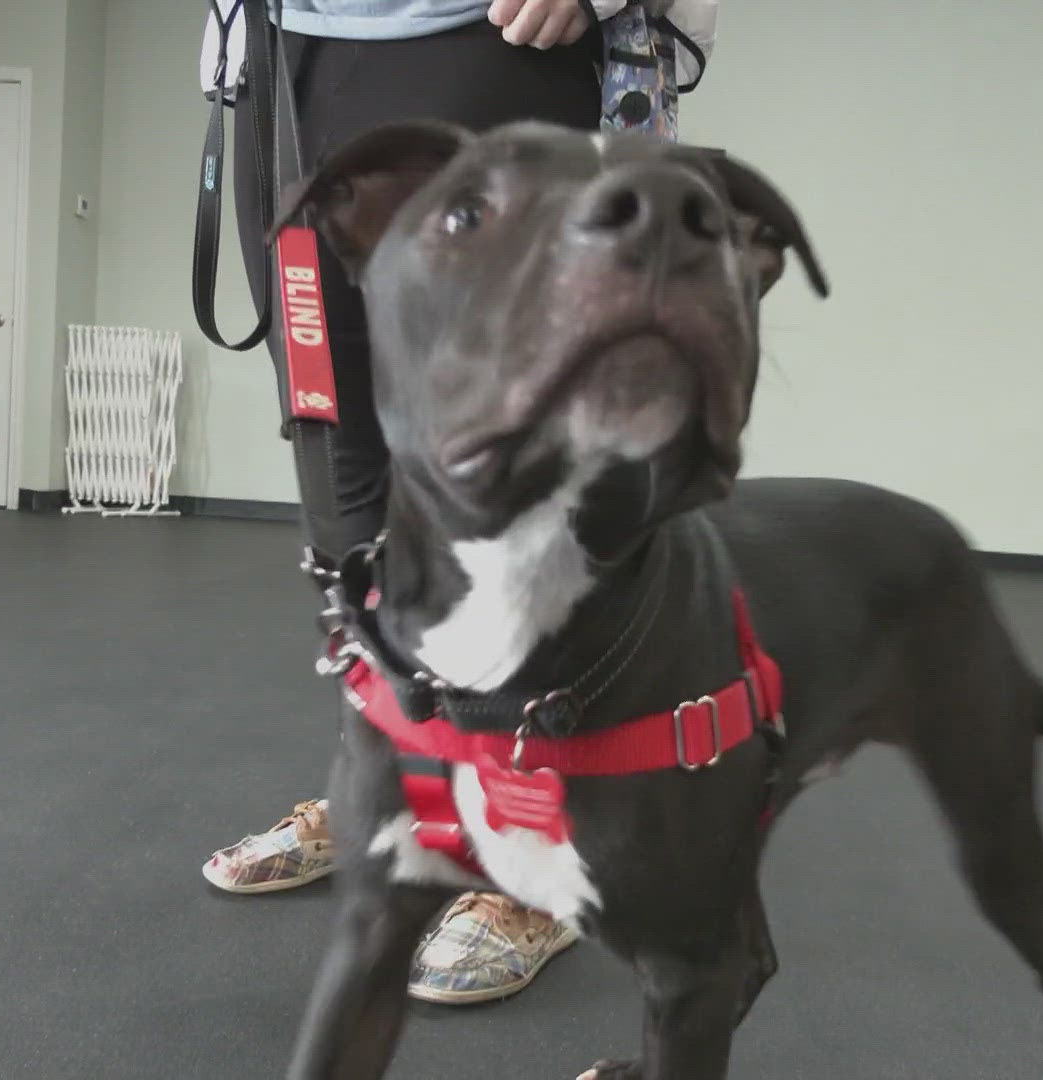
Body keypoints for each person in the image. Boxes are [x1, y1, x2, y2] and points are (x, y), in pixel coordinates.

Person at [195, 0, 716, 1006]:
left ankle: (533, 842)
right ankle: (387, 792)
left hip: (497, 43)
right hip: (283, 55)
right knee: (335, 447)